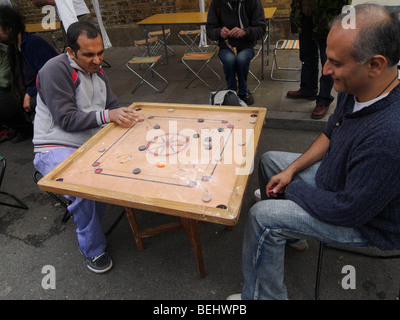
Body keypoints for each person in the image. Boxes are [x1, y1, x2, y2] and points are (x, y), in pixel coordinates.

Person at [228, 4, 400, 300]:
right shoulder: (360, 88)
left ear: (375, 64)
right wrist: (290, 172)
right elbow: (330, 133)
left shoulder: (388, 135)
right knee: (272, 163)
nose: (325, 70)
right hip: (343, 183)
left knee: (262, 216)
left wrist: (290, 192)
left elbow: (348, 210)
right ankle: (293, 234)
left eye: (335, 62)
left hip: (367, 222)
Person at [33, 21, 138, 273]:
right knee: (83, 185)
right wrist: (108, 116)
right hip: (53, 146)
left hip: (90, 141)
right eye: (89, 54)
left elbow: (111, 105)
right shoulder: (54, 70)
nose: (97, 60)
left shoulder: (97, 70)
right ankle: (91, 247)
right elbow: (66, 120)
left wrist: (126, 117)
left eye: (100, 52)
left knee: (135, 151)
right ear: (70, 52)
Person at [0, 5, 57, 142]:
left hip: (46, 90)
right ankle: (27, 130)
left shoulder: (33, 43)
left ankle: (46, 130)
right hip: (27, 91)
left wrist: (30, 92)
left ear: (9, 28)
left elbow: (49, 73)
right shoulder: (13, 47)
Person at [286, 0, 350, 119]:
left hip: (326, 20)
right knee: (307, 56)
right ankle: (308, 90)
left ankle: (323, 100)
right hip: (305, 17)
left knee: (328, 61)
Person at [206, 0, 266, 106]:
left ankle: (243, 91)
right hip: (226, 46)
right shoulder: (216, 2)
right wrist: (219, 32)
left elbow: (261, 29)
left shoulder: (253, 2)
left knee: (242, 59)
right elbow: (210, 29)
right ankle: (231, 92)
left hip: (247, 45)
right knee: (229, 60)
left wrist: (245, 32)